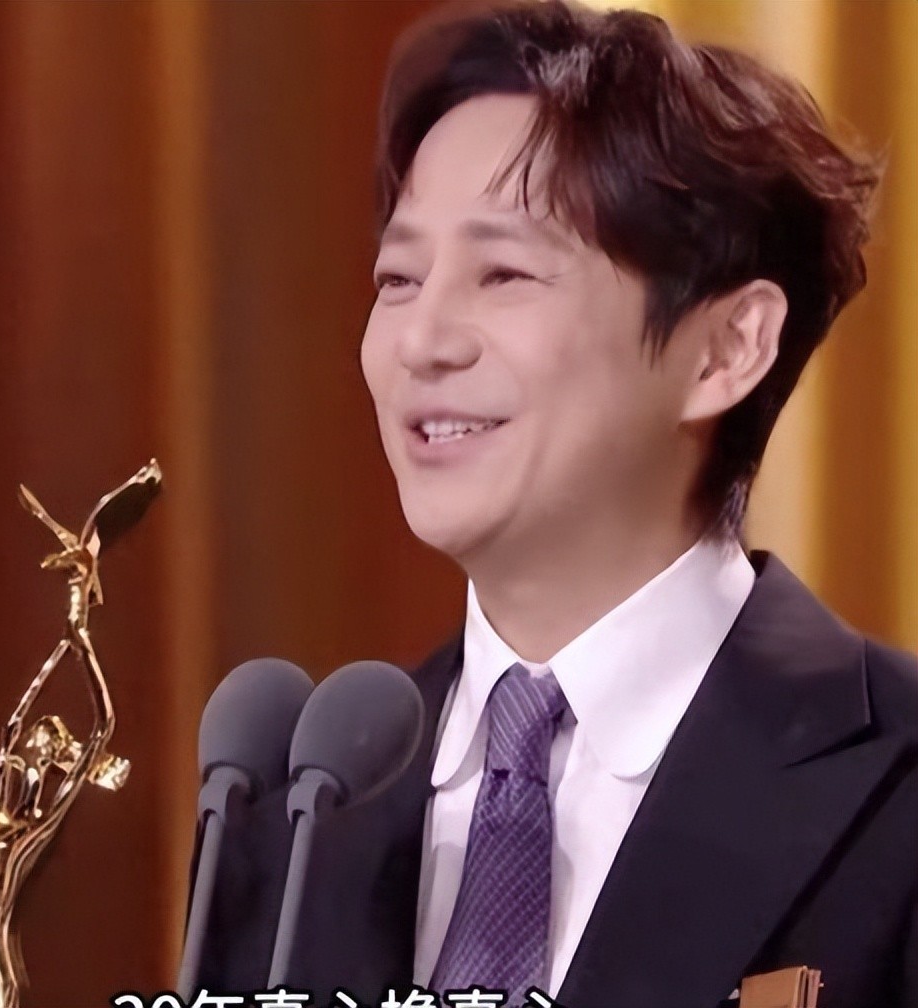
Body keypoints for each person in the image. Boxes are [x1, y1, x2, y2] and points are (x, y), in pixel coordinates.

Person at [194, 4, 917, 1007]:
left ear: (725, 350)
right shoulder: (296, 817)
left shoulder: (896, 783)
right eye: (398, 277)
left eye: (503, 273)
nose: (421, 342)